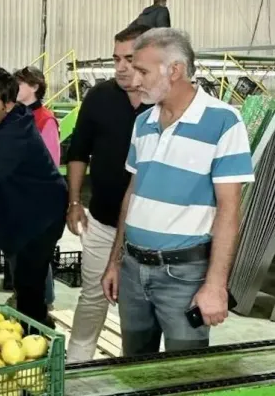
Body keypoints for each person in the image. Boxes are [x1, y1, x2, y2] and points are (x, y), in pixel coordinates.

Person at [101, 28, 254, 355]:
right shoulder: (143, 122)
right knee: (135, 369)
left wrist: (215, 286)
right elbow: (133, 194)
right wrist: (115, 262)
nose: (134, 79)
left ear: (175, 70)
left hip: (184, 276)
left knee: (182, 374)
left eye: (142, 70)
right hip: (132, 269)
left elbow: (229, 211)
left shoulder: (224, 122)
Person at [64, 24, 153, 362]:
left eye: (130, 59)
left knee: (140, 308)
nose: (120, 67)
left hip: (148, 231)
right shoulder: (99, 97)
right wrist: (74, 202)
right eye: (116, 58)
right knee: (92, 296)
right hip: (101, 222)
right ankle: (77, 365)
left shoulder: (163, 105)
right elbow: (78, 152)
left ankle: (137, 367)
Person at [0, 67, 67, 329]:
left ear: (9, 104)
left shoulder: (14, 134)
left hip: (38, 219)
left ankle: (38, 338)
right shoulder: (4, 120)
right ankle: (35, 323)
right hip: (20, 216)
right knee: (24, 280)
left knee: (30, 285)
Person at [8, 65, 58, 311]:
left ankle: (43, 302)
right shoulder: (15, 117)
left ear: (35, 87)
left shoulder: (45, 120)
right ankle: (22, 296)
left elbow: (51, 164)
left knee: (37, 257)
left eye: (19, 84)